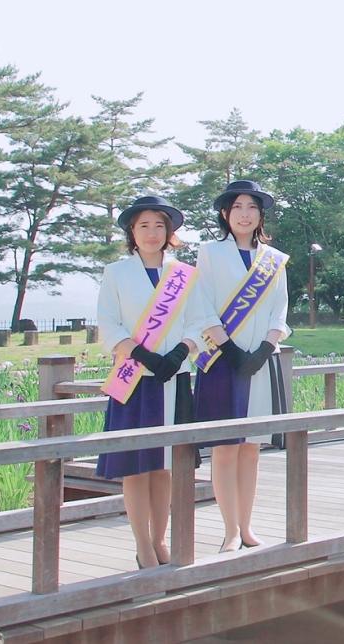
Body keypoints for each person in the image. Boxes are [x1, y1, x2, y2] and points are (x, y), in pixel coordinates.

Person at [188, 180, 290, 553]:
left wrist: (265, 348)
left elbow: (280, 308)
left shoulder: (274, 260)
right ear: (225, 214)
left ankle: (247, 527)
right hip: (221, 359)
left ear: (261, 214)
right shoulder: (210, 253)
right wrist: (228, 347)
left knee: (251, 448)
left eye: (252, 207)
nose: (244, 214)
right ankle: (230, 529)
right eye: (237, 207)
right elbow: (201, 304)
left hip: (261, 363)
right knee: (225, 447)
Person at [96, 195, 197, 569]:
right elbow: (108, 323)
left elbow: (199, 320)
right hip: (134, 378)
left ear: (169, 232)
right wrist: (141, 353)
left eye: (159, 226)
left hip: (174, 377)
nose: (152, 233)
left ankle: (159, 540)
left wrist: (180, 352)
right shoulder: (116, 273)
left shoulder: (185, 273)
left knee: (165, 465)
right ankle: (142, 546)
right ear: (131, 233)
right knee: (136, 466)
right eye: (144, 226)